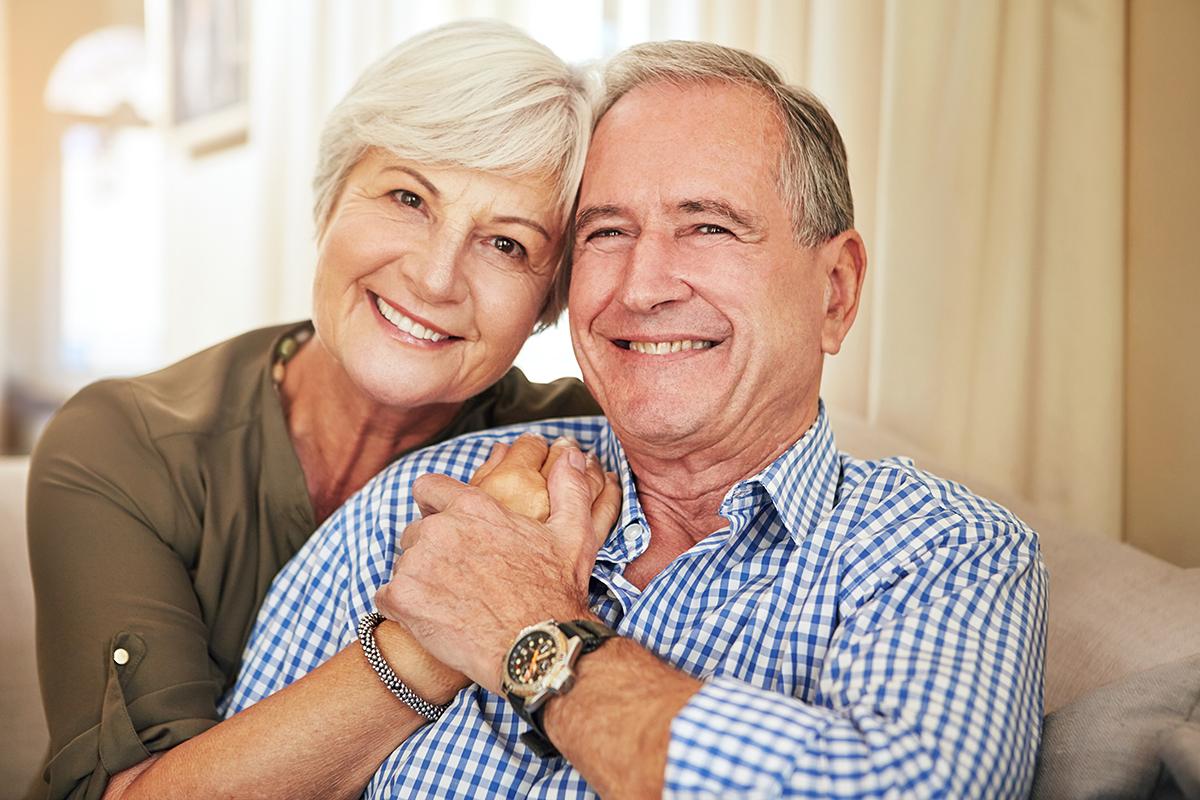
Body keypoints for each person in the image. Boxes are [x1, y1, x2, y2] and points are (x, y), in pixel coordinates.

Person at [226, 40, 1048, 798]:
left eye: (709, 226)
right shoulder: (437, 500)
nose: (643, 286)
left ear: (835, 290)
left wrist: (529, 629)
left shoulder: (944, 552)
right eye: (608, 231)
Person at [25, 21, 612, 800]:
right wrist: (440, 633)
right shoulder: (124, 442)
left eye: (506, 244)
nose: (436, 278)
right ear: (330, 200)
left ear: (547, 303)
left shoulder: (578, 455)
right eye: (408, 197)